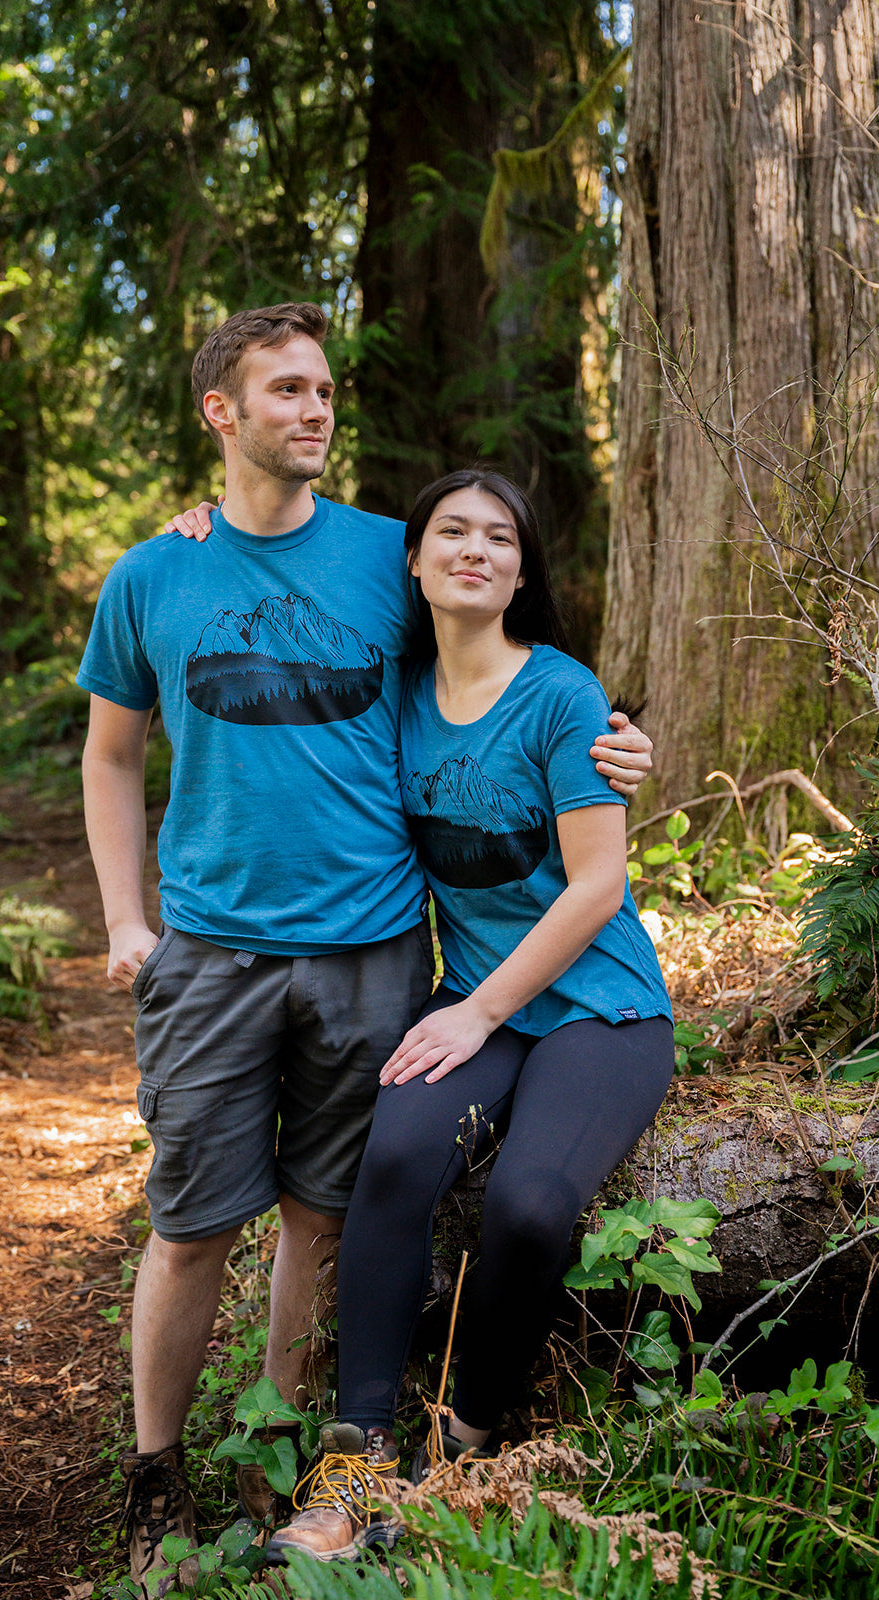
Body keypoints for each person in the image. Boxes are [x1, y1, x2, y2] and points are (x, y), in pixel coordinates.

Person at [78, 304, 652, 1597]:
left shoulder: (407, 571)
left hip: (405, 963)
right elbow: (115, 750)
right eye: (286, 390)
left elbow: (510, 679)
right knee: (209, 1221)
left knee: (342, 1214)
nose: (316, 410)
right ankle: (184, 1469)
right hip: (228, 957)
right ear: (221, 411)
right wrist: (124, 919)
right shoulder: (162, 576)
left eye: (326, 390)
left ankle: (315, 1461)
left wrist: (620, 744)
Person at [265, 469, 674, 1566]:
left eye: (500, 537)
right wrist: (208, 524)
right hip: (480, 1003)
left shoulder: (563, 696)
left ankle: (462, 1446)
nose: (474, 550)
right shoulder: (391, 694)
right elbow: (283, 581)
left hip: (599, 1004)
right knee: (395, 1158)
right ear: (414, 559)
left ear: (522, 572)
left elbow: (595, 887)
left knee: (530, 1209)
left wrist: (479, 1013)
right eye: (451, 530)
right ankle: (355, 1460)